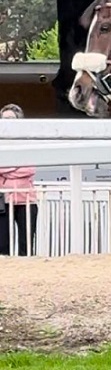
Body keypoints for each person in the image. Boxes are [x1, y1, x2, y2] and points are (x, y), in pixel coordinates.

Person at [0, 104, 38, 256]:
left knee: (26, 244)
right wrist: (16, 167)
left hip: (26, 200)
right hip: (4, 201)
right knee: (3, 245)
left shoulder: (28, 142)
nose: (7, 122)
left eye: (11, 118)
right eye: (4, 119)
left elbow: (30, 168)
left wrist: (6, 169)